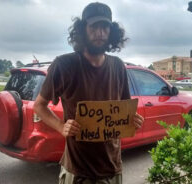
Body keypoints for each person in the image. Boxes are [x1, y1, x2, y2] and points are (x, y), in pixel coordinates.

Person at [34, 2, 144, 184]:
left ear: (111, 32)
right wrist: (61, 126)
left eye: (105, 27)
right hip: (78, 171)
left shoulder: (118, 66)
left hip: (112, 168)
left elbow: (124, 110)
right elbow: (39, 105)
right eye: (94, 26)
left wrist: (133, 120)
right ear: (83, 30)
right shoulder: (64, 65)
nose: (100, 33)